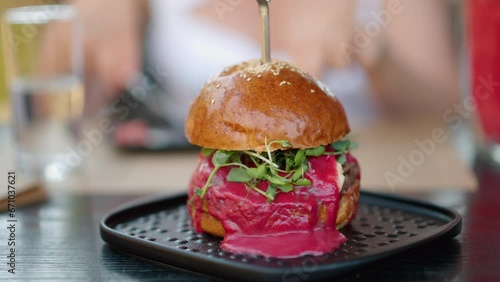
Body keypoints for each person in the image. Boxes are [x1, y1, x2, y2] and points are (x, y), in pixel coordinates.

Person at [71, 0, 459, 146]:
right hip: (163, 192)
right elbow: (48, 114)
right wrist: (78, 26)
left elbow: (448, 113)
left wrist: (376, 54)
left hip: (392, 185)